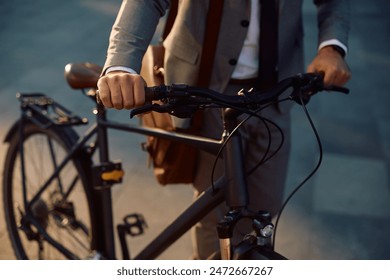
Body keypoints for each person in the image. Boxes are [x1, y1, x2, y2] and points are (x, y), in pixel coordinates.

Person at [97, 0, 351, 259]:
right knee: (215, 216)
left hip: (276, 91)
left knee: (265, 208)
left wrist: (331, 46)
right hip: (207, 90)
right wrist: (121, 65)